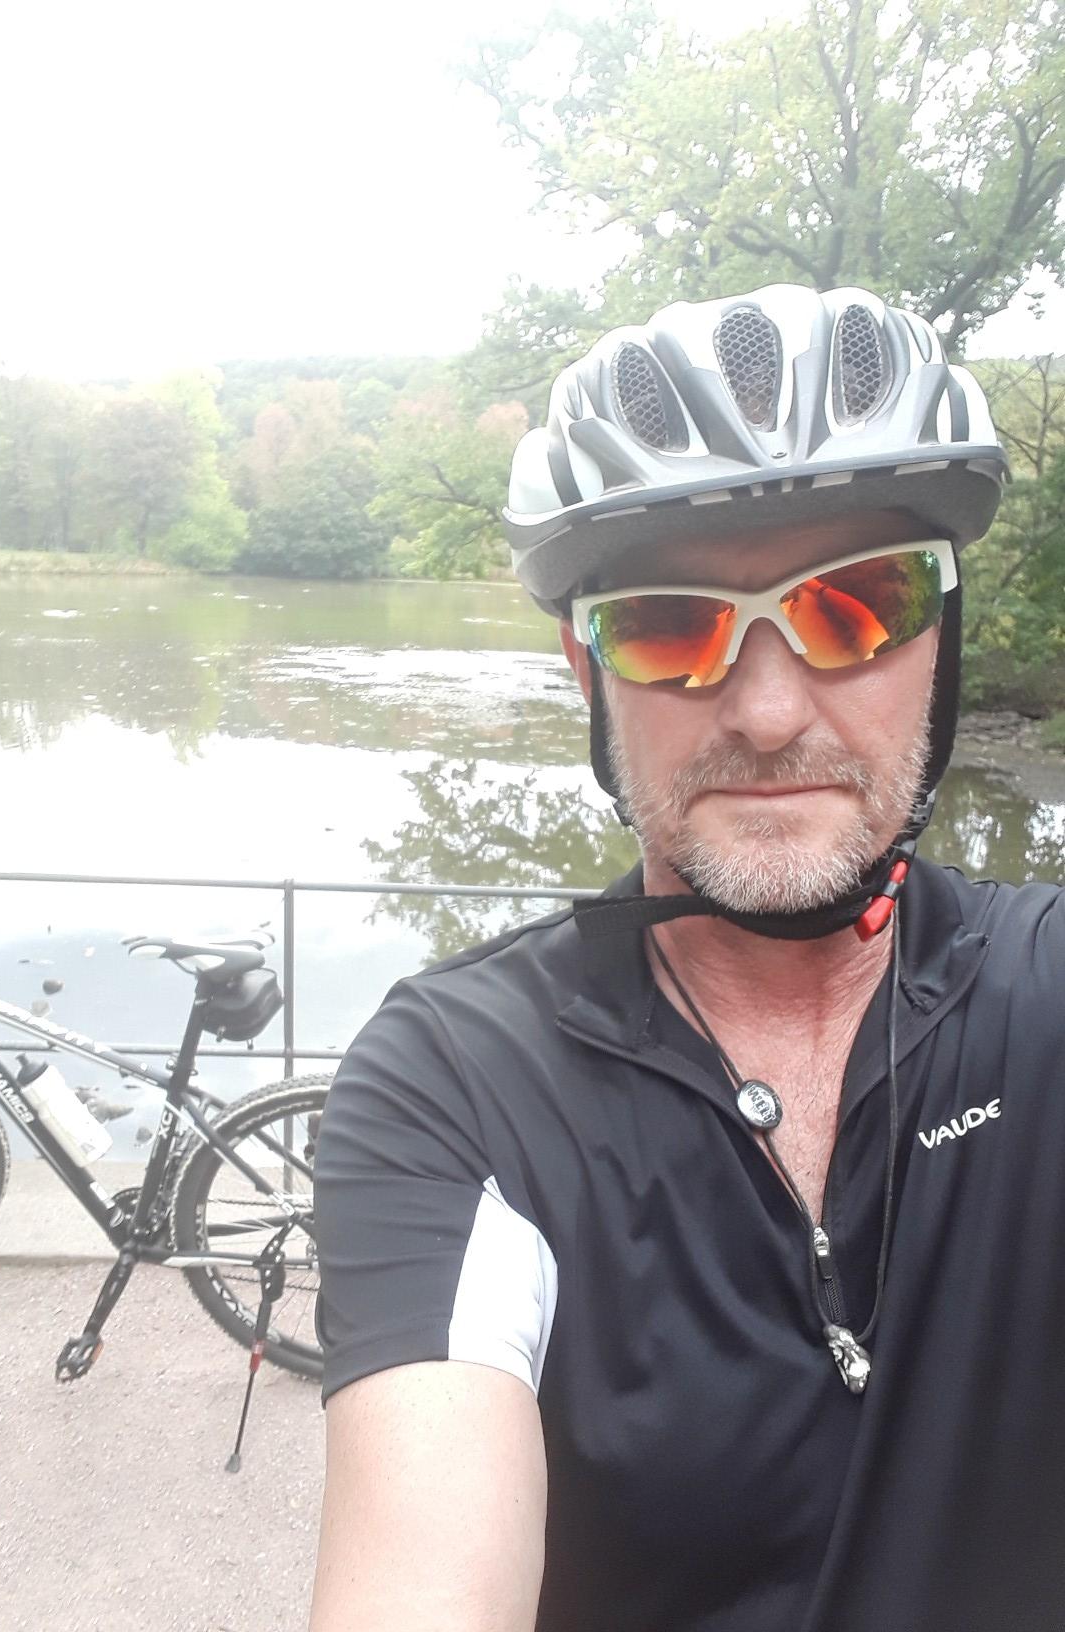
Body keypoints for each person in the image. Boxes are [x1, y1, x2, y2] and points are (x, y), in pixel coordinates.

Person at [308, 285, 1064, 1632]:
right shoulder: (460, 1088)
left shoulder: (1050, 996)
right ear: (587, 672)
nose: (768, 712)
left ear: (940, 638)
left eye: (857, 606)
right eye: (671, 623)